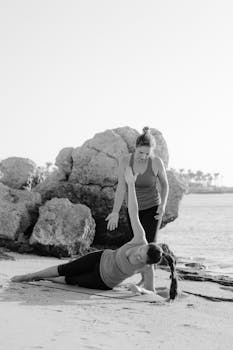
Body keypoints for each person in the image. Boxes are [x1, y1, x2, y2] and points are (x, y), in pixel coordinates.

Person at [11, 167, 178, 300]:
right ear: (146, 246)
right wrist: (131, 185)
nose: (139, 257)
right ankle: (29, 276)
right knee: (65, 268)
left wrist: (140, 289)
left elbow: (151, 290)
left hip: (102, 281)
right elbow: (134, 211)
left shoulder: (148, 267)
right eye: (141, 253)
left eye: (142, 260)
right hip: (100, 257)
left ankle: (42, 278)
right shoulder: (139, 238)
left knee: (70, 280)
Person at [106, 126, 169, 244]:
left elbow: (165, 185)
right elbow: (121, 188)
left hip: (153, 207)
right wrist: (115, 212)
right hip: (132, 209)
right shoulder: (125, 161)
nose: (143, 156)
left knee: (150, 244)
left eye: (147, 154)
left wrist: (163, 205)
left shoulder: (156, 162)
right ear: (135, 148)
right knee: (137, 243)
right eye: (141, 152)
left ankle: (153, 263)